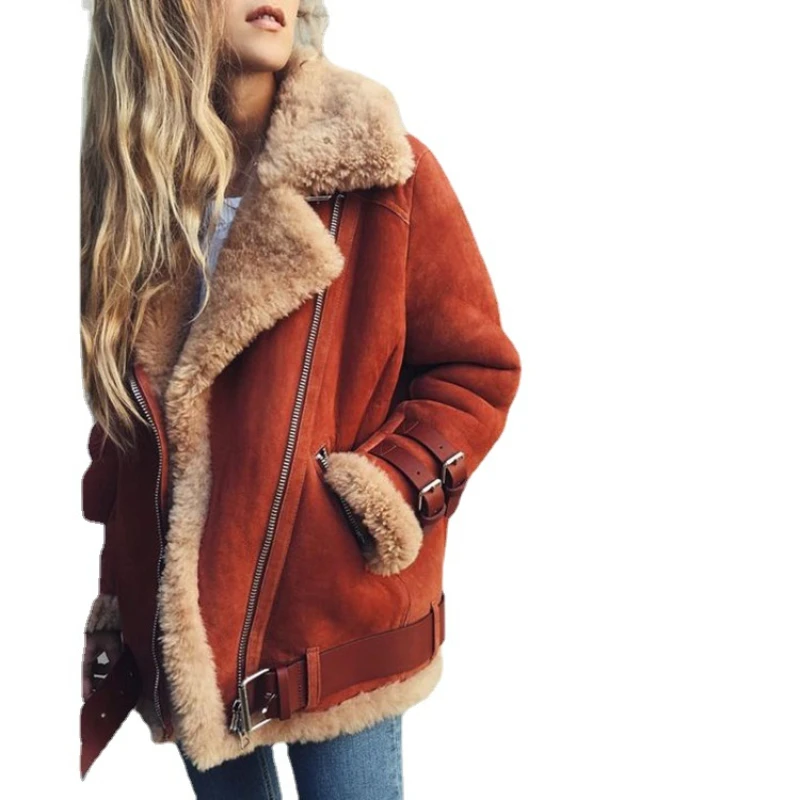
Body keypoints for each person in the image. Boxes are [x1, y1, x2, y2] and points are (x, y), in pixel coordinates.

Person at [79, 1, 522, 797]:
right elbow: (124, 428)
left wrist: (383, 489)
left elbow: (475, 369)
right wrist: (120, 586)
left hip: (336, 620)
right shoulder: (138, 204)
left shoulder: (378, 168)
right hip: (189, 622)